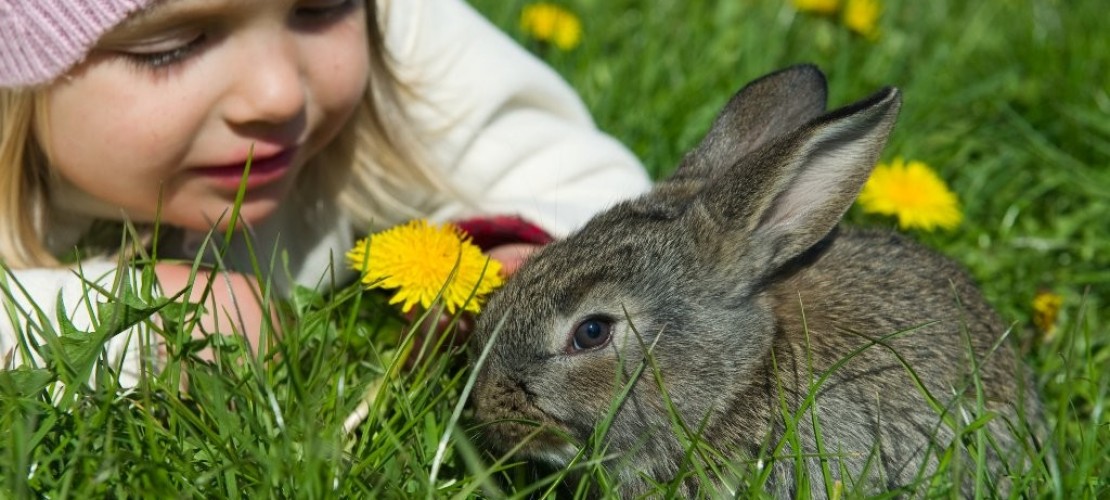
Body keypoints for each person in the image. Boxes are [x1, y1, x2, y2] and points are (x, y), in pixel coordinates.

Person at [0, 0, 651, 387]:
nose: (279, 93)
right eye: (170, 46)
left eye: (319, 7)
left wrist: (524, 260)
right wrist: (128, 326)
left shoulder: (395, 32)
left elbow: (584, 185)